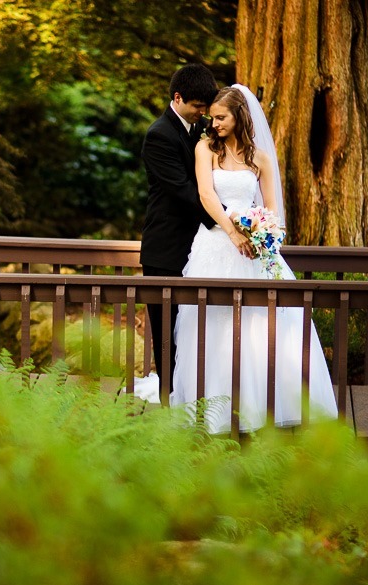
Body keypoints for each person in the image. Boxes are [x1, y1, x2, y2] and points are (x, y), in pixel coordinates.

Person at [170, 85, 338, 433]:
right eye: (212, 117)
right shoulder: (206, 149)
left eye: (221, 117)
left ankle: (261, 406)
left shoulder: (259, 157)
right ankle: (212, 411)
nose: (213, 123)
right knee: (213, 325)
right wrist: (233, 231)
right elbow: (205, 194)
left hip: (255, 249)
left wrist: (264, 233)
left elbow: (272, 208)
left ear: (240, 116)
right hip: (216, 244)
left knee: (262, 325)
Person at [140, 64, 219, 394]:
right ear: (177, 97)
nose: (203, 114)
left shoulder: (203, 130)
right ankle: (168, 399)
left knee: (194, 329)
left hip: (200, 250)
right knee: (165, 331)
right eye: (198, 107)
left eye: (205, 108)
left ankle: (194, 394)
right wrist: (226, 222)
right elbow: (185, 190)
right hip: (167, 248)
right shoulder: (159, 135)